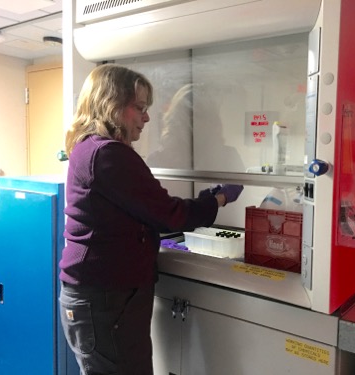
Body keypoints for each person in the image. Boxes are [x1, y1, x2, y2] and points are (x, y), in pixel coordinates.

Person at [58, 63, 244, 375]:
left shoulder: (88, 148)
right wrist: (218, 198)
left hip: (99, 296)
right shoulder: (108, 154)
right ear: (112, 105)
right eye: (140, 108)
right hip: (105, 299)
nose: (146, 118)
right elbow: (170, 215)